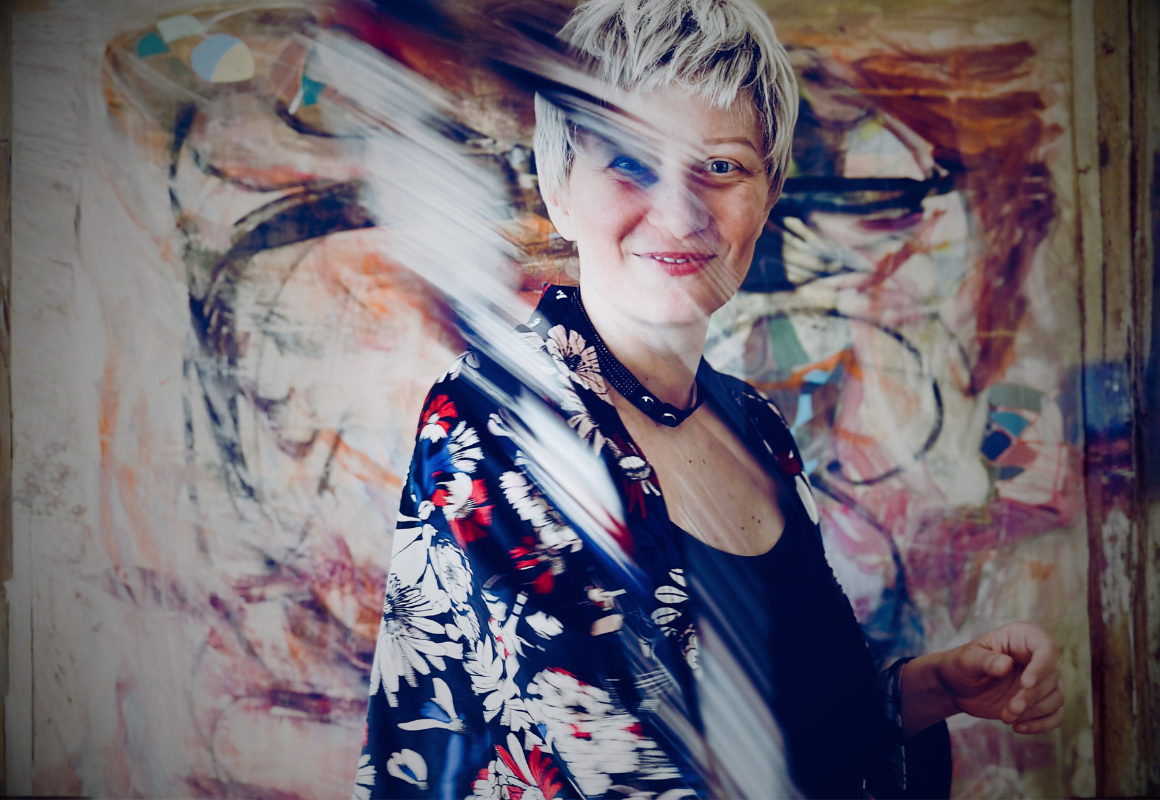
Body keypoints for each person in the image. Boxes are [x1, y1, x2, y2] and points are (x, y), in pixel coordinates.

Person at [355, 0, 1065, 797]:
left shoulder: (755, 425)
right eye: (628, 160)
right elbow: (609, 767)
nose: (681, 212)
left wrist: (931, 688)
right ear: (559, 189)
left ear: (769, 193)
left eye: (722, 167)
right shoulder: (494, 421)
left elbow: (797, 717)